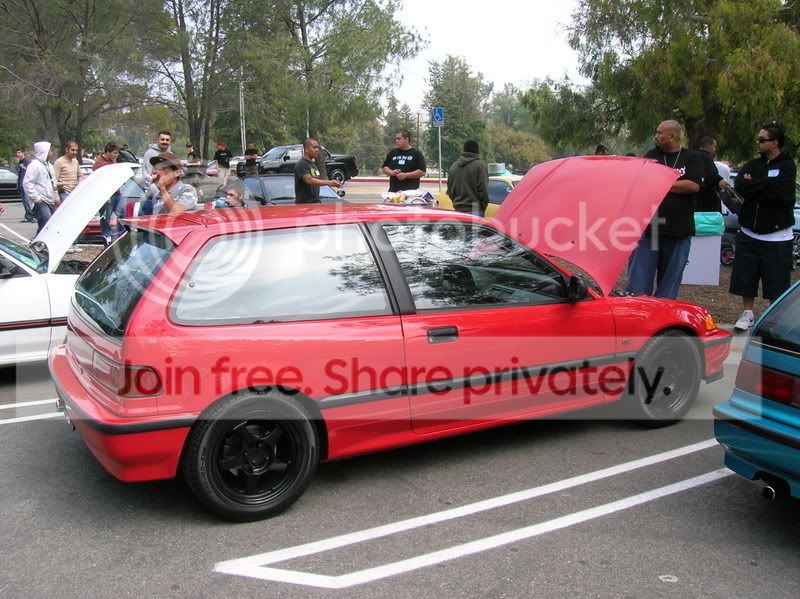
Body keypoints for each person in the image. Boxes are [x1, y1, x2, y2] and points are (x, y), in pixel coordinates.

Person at [730, 123, 797, 332]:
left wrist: (755, 186)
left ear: (774, 143)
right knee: (745, 277)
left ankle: (773, 319)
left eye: (761, 140)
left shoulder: (788, 166)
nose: (757, 143)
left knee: (776, 281)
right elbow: (740, 186)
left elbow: (782, 196)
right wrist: (767, 182)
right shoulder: (752, 164)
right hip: (749, 233)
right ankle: (747, 312)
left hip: (777, 237)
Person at [626, 120, 703, 298]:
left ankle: (663, 313)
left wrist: (662, 184)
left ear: (672, 136)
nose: (656, 136)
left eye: (660, 133)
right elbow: (643, 182)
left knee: (669, 286)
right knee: (638, 285)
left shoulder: (692, 158)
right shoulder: (651, 156)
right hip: (650, 230)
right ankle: (639, 312)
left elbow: (693, 185)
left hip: (679, 231)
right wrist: (674, 184)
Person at [22, 141, 58, 235]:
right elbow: (27, 183)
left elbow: (53, 180)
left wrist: (56, 195)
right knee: (46, 219)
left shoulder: (49, 166)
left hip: (50, 199)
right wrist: (36, 198)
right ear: (44, 151)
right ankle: (38, 240)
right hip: (40, 200)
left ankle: (42, 240)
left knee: (51, 223)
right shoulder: (34, 165)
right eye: (50, 151)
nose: (52, 153)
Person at [447, 139, 489, 216]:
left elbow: (450, 190)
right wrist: (484, 205)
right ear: (477, 150)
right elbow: (483, 190)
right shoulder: (480, 167)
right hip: (476, 210)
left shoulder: (453, 167)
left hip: (458, 210)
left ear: (464, 150)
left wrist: (457, 202)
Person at [93, 142, 124, 243]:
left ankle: (120, 234)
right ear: (107, 152)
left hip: (116, 193)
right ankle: (107, 236)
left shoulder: (113, 162)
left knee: (123, 213)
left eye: (117, 153)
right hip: (106, 195)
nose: (116, 155)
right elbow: (97, 180)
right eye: (114, 153)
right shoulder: (99, 163)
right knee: (106, 217)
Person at [294, 138, 341, 203]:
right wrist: (329, 182)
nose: (317, 150)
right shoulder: (302, 164)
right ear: (306, 149)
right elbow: (309, 180)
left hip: (315, 203)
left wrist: (332, 183)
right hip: (304, 205)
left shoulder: (313, 165)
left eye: (317, 148)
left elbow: (317, 181)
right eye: (314, 147)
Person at [695, 136, 727, 212]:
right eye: (714, 146)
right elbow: (712, 176)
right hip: (706, 201)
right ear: (708, 146)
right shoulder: (706, 158)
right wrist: (720, 181)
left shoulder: (692, 156)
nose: (714, 149)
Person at [53, 141, 81, 205]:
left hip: (74, 193)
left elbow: (80, 175)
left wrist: (79, 183)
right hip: (63, 193)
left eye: (76, 150)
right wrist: (56, 196)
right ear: (66, 150)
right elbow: (54, 180)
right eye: (72, 150)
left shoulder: (75, 161)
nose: (75, 152)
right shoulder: (59, 162)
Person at [14, 148, 35, 223]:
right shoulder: (20, 162)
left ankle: (34, 217)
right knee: (25, 202)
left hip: (26, 185)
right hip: (21, 184)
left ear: (23, 153)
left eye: (19, 153)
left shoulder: (27, 162)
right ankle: (28, 217)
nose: (18, 154)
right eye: (17, 153)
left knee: (28, 202)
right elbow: (18, 172)